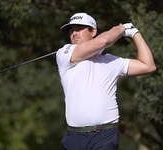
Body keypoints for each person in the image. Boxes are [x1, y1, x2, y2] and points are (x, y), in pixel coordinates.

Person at [56, 12, 156, 150]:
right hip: (75, 137)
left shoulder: (111, 61)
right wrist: (121, 29)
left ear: (93, 31)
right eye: (71, 30)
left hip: (105, 135)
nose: (74, 33)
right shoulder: (65, 53)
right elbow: (103, 41)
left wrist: (134, 33)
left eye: (79, 28)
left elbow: (148, 66)